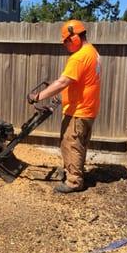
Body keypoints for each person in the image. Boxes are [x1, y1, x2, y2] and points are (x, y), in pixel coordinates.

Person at [28, 20, 101, 193]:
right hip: (88, 108)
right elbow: (78, 82)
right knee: (79, 143)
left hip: (79, 110)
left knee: (71, 144)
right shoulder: (92, 52)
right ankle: (74, 171)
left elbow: (63, 82)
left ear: (75, 37)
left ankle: (74, 181)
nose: (65, 45)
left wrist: (37, 96)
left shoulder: (79, 56)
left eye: (66, 41)